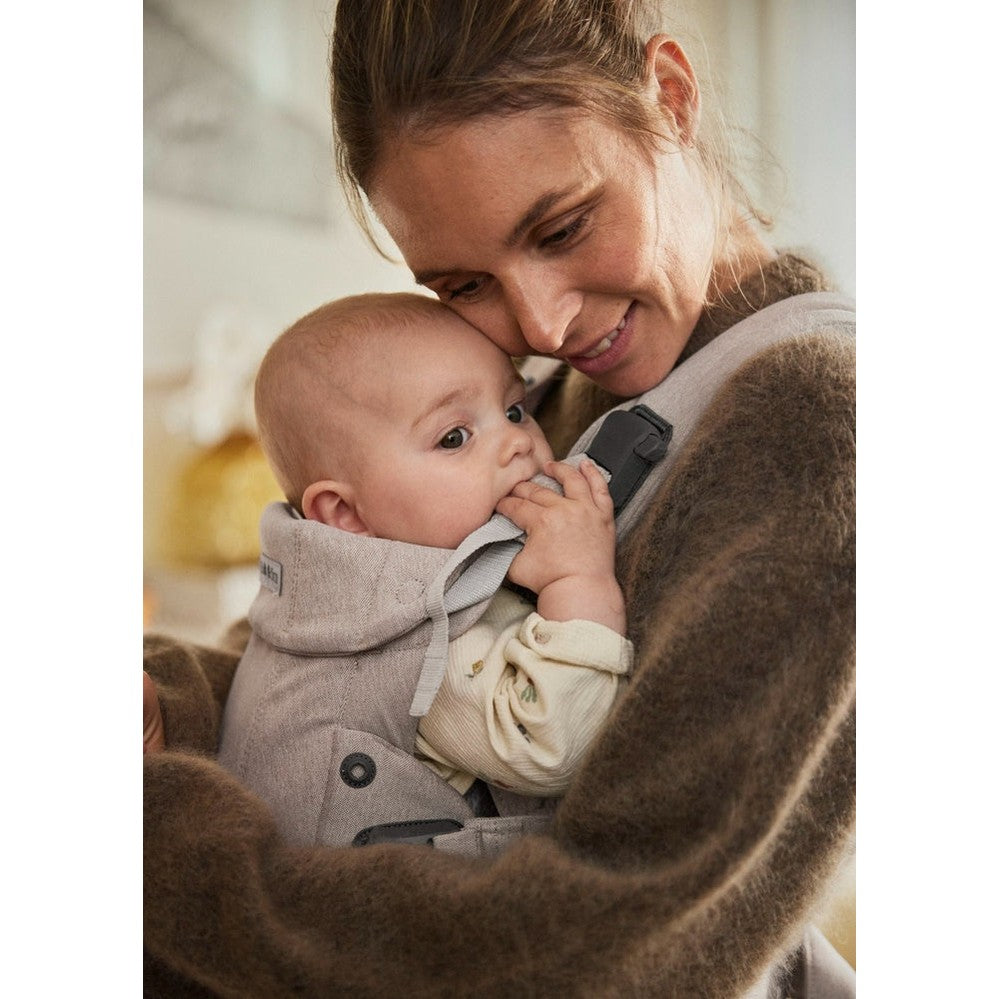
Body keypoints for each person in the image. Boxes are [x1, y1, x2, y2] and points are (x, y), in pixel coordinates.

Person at [143, 2, 856, 996]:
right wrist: (166, 692)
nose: (541, 322)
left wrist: (154, 842)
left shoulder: (814, 432)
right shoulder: (577, 384)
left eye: (564, 226)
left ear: (674, 98)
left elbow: (615, 947)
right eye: (464, 283)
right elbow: (397, 628)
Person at [220, 291, 632, 830]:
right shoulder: (409, 640)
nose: (516, 443)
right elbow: (547, 744)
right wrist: (580, 578)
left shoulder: (315, 587)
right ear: (344, 513)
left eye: (513, 410)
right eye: (454, 437)